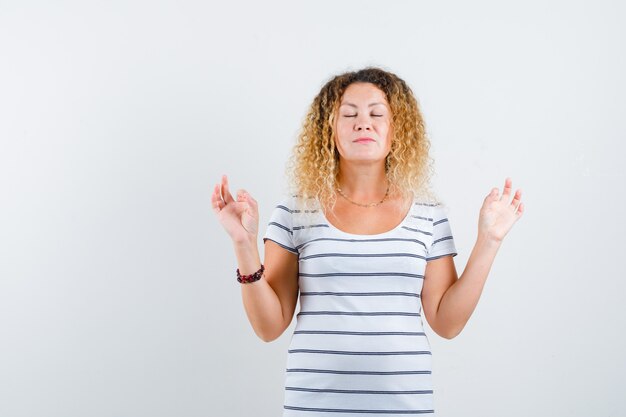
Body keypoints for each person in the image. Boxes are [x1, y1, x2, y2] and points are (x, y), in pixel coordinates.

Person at [211, 67, 524, 415]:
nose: (363, 123)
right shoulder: (295, 212)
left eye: (377, 114)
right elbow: (269, 327)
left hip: (405, 406)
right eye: (349, 114)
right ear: (327, 129)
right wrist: (243, 244)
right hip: (313, 407)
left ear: (398, 131)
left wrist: (489, 241)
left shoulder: (428, 214)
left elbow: (447, 323)